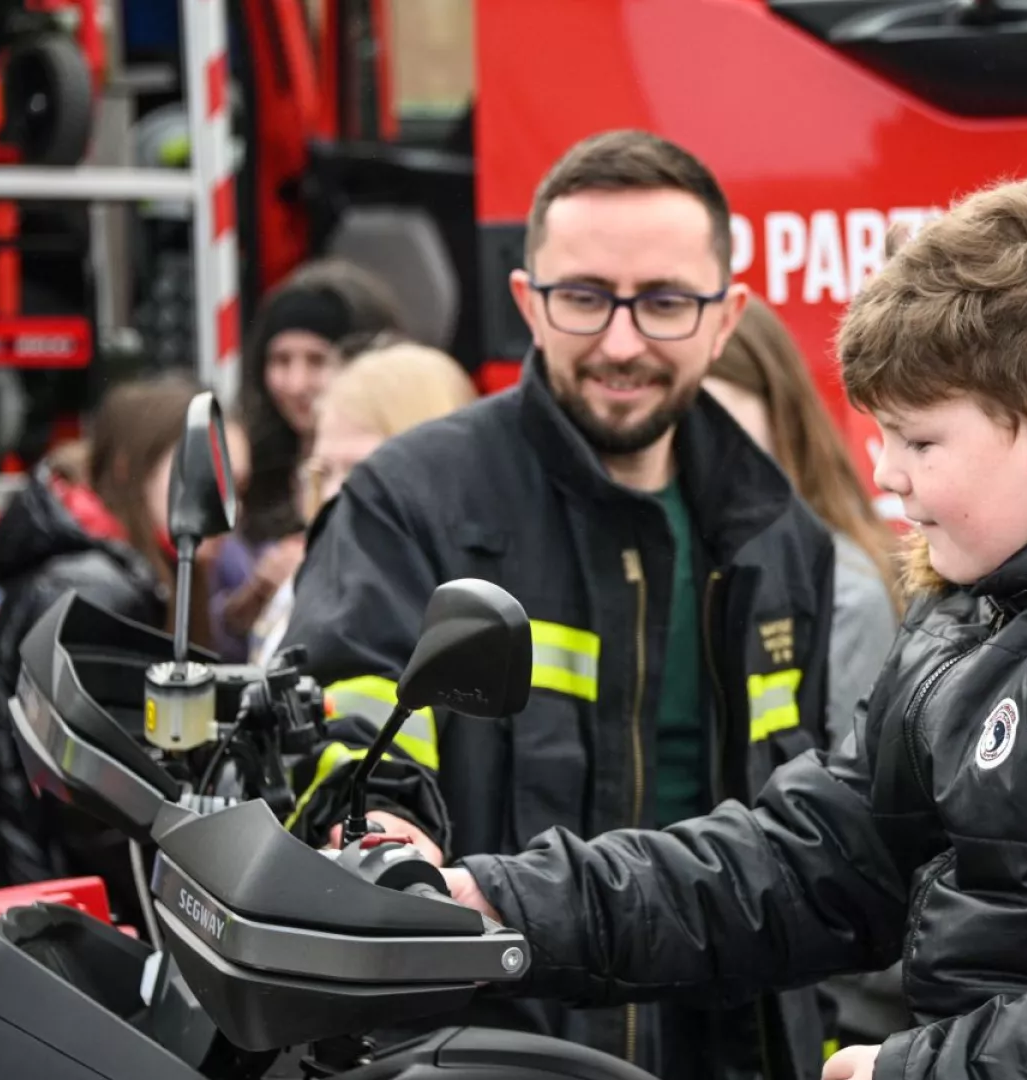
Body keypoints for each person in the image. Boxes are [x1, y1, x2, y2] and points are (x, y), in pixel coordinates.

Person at [439, 175, 1027, 1080]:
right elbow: (810, 860)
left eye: (919, 440)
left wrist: (918, 1070)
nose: (886, 474)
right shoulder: (979, 613)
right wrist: (496, 907)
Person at [281, 130, 840, 1079]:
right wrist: (383, 836)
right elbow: (344, 729)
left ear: (725, 318)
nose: (621, 343)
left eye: (664, 302)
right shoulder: (410, 504)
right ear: (526, 302)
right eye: (584, 297)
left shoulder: (781, 540)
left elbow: (805, 837)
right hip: (490, 1054)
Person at [0, 373, 203, 923]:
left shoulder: (67, 553)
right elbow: (94, 794)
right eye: (194, 477)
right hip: (37, 888)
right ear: (128, 467)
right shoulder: (96, 589)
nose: (221, 508)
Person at [704, 294, 901, 744]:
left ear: (778, 410)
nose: (693, 439)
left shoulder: (844, 592)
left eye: (713, 414)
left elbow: (851, 777)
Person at [210, 259, 404, 660]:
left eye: (317, 361)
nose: (296, 384)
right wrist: (253, 595)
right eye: (281, 361)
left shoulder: (402, 459)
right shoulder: (248, 466)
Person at [248, 338, 478, 666]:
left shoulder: (463, 605)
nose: (332, 494)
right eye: (324, 471)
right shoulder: (303, 583)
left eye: (362, 472)